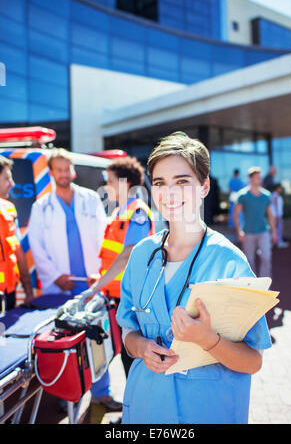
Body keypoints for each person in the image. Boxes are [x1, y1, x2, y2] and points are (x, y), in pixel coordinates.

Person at [116, 132, 272, 424]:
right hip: (146, 407)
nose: (169, 193)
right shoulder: (141, 256)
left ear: (204, 187)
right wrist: (141, 347)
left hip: (208, 411)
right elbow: (127, 330)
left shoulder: (229, 262)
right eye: (160, 183)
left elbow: (254, 361)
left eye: (182, 181)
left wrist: (209, 340)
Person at [28, 148, 121, 411]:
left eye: (67, 169)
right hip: (61, 285)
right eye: (58, 169)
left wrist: (101, 273)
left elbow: (105, 237)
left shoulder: (90, 199)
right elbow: (36, 246)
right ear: (51, 173)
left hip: (91, 283)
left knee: (98, 338)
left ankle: (103, 393)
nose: (63, 174)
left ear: (73, 170)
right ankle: (71, 393)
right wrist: (56, 277)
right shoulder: (41, 207)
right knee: (67, 342)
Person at [87, 156, 155, 405]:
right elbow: (116, 254)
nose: (107, 186)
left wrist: (98, 284)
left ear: (125, 183)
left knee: (132, 358)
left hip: (130, 298)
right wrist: (101, 279)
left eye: (111, 181)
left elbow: (128, 254)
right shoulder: (121, 211)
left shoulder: (136, 211)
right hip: (117, 296)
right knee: (124, 354)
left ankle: (138, 413)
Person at [0, 155, 33, 310]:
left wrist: (28, 290)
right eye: (7, 179)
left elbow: (18, 250)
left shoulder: (9, 209)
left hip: (9, 293)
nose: (12, 184)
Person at [234, 166, 277, 278]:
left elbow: (270, 215)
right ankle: (252, 285)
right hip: (248, 232)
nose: (259, 179)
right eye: (257, 177)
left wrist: (274, 232)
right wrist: (239, 231)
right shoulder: (242, 195)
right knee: (249, 260)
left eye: (260, 177)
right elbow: (236, 214)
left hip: (263, 231)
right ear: (251, 179)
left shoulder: (266, 195)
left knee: (266, 257)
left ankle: (265, 284)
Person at [271, 183, 289, 248]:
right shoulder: (275, 196)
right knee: (277, 229)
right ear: (277, 188)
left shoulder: (275, 195)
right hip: (276, 216)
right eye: (280, 188)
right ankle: (277, 243)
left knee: (276, 229)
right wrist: (277, 216)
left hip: (276, 216)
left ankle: (274, 243)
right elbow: (275, 206)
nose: (281, 189)